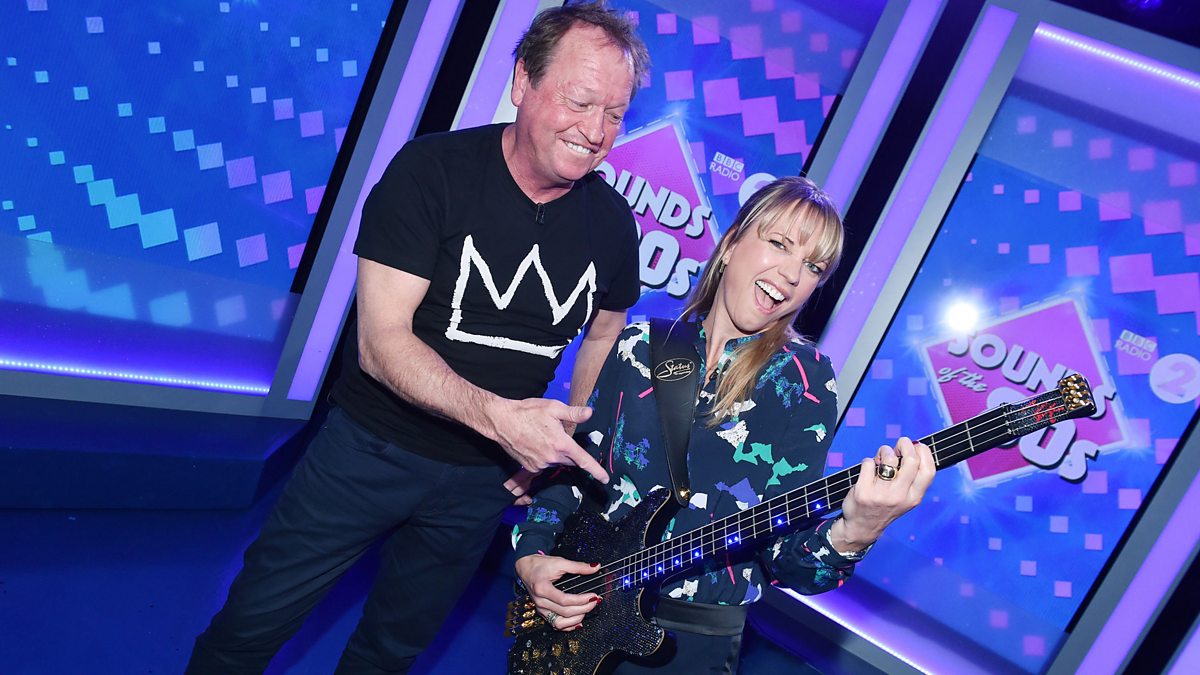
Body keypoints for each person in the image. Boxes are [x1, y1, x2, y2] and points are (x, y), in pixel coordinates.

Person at [187, 2, 650, 672]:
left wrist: (557, 447)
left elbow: (604, 336)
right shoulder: (432, 171)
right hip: (370, 451)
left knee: (389, 654)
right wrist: (501, 419)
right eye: (580, 102)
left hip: (484, 482)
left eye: (615, 112)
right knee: (248, 629)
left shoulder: (612, 223)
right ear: (522, 81)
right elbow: (380, 345)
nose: (596, 130)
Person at [512, 176, 936, 673]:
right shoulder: (639, 343)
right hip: (578, 615)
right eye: (779, 243)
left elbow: (788, 561)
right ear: (732, 242)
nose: (792, 274)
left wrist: (857, 530)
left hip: (692, 644)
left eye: (813, 267)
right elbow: (577, 471)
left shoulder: (805, 381)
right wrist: (532, 555)